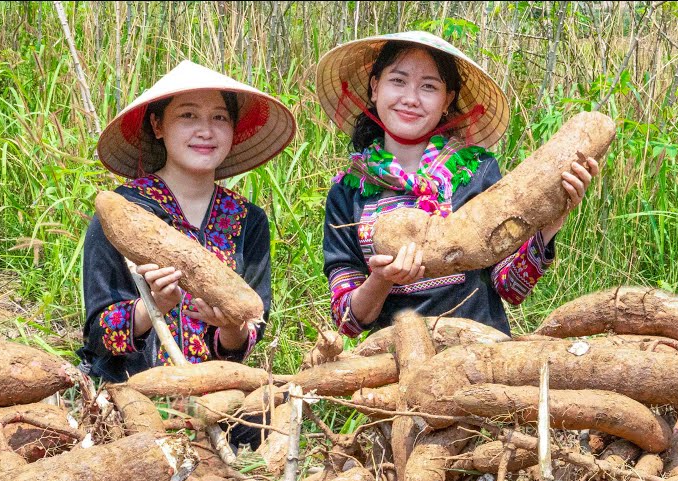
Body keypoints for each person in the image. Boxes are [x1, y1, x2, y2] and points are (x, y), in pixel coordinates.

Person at [316, 31, 599, 336]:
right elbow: (347, 320)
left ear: (447, 100)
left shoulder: (477, 172)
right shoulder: (346, 194)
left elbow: (510, 287)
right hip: (393, 363)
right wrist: (382, 280)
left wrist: (551, 218)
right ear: (375, 88)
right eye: (397, 81)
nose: (411, 98)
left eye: (429, 87)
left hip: (481, 354)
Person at [79, 60, 296, 382]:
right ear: (157, 125)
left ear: (233, 129)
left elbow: (251, 328)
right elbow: (97, 337)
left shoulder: (249, 220)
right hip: (129, 390)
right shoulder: (123, 212)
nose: (205, 130)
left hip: (218, 392)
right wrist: (150, 308)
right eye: (188, 115)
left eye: (219, 117)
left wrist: (230, 328)